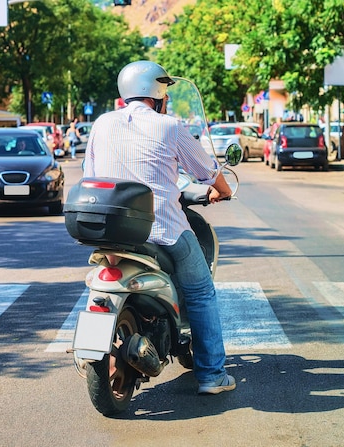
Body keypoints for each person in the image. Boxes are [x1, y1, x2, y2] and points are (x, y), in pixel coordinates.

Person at [83, 60, 236, 395]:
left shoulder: (101, 124)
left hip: (108, 229)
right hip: (163, 230)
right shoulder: (169, 126)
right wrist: (222, 190)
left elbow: (88, 172)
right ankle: (211, 375)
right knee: (200, 291)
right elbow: (207, 170)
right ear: (159, 93)